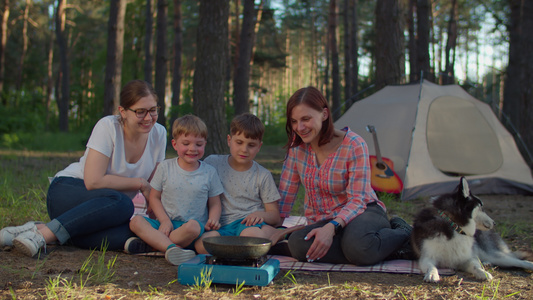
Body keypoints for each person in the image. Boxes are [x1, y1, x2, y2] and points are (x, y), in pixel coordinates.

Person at [0, 80, 167, 255]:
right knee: (123, 204)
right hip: (69, 191)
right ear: (123, 112)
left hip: (106, 211)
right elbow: (93, 181)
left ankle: (37, 229)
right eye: (140, 112)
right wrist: (140, 183)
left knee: (131, 231)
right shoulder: (108, 127)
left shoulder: (159, 134)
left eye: (153, 110)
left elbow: (153, 189)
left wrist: (161, 217)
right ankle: (41, 237)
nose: (149, 118)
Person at [278, 86, 413, 265]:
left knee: (357, 245)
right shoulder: (297, 149)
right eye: (294, 121)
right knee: (297, 244)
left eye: (306, 119)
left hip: (363, 211)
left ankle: (403, 232)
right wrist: (274, 228)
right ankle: (367, 247)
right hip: (323, 220)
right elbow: (286, 194)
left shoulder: (354, 145)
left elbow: (358, 199)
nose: (299, 127)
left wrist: (332, 227)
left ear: (324, 114)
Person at [126, 114, 223, 265]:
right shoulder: (165, 167)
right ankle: (172, 249)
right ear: (175, 144)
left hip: (191, 231)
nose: (192, 149)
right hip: (165, 226)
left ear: (205, 144)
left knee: (193, 226)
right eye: (186, 143)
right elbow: (154, 197)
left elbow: (215, 203)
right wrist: (164, 221)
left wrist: (214, 219)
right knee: (136, 221)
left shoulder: (209, 172)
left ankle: (156, 245)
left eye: (198, 144)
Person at [195, 113, 281, 254]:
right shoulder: (212, 163)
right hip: (221, 226)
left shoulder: (263, 175)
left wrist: (260, 215)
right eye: (239, 142)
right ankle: (254, 246)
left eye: (251, 145)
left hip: (248, 226)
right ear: (229, 140)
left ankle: (271, 234)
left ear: (259, 146)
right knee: (201, 245)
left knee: (252, 238)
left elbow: (275, 216)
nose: (244, 150)